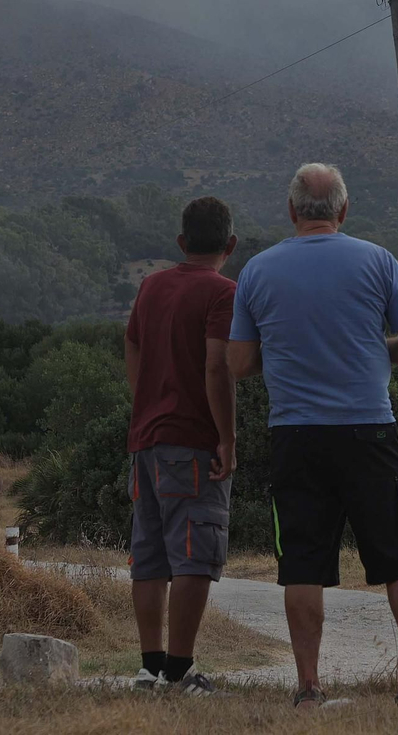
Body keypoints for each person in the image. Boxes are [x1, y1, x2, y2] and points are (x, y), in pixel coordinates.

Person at [227, 163, 398, 708]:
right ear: (344, 211)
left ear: (292, 211)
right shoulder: (377, 260)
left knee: (301, 561)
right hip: (370, 429)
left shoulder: (257, 271)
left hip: (295, 435)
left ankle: (308, 685)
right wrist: (374, 351)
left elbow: (239, 361)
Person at [125, 196, 240, 696]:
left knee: (149, 555)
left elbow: (130, 342)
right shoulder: (223, 292)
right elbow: (218, 367)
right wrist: (227, 437)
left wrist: (145, 397)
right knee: (195, 550)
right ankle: (179, 669)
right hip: (193, 442)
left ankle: (149, 668)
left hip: (145, 441)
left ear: (180, 242)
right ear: (230, 245)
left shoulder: (151, 285)